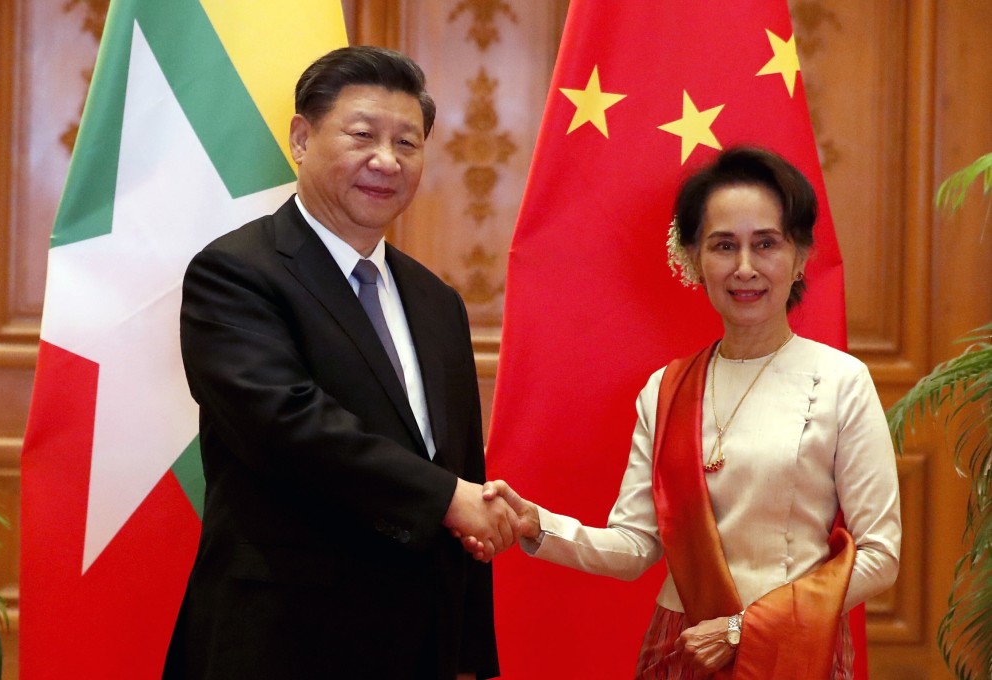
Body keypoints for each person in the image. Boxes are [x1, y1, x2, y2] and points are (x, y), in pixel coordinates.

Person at [471, 147, 901, 679]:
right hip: (684, 647)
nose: (745, 267)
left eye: (765, 244)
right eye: (724, 246)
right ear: (696, 258)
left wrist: (744, 626)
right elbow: (635, 548)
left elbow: (880, 556)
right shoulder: (668, 389)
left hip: (792, 649)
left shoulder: (840, 381)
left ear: (801, 255)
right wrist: (538, 525)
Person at [162, 46, 518, 680]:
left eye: (407, 142)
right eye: (363, 135)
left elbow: (461, 464)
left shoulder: (439, 303)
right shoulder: (236, 274)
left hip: (417, 645)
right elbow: (286, 426)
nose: (387, 160)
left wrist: (469, 655)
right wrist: (446, 498)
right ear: (302, 139)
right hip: (280, 641)